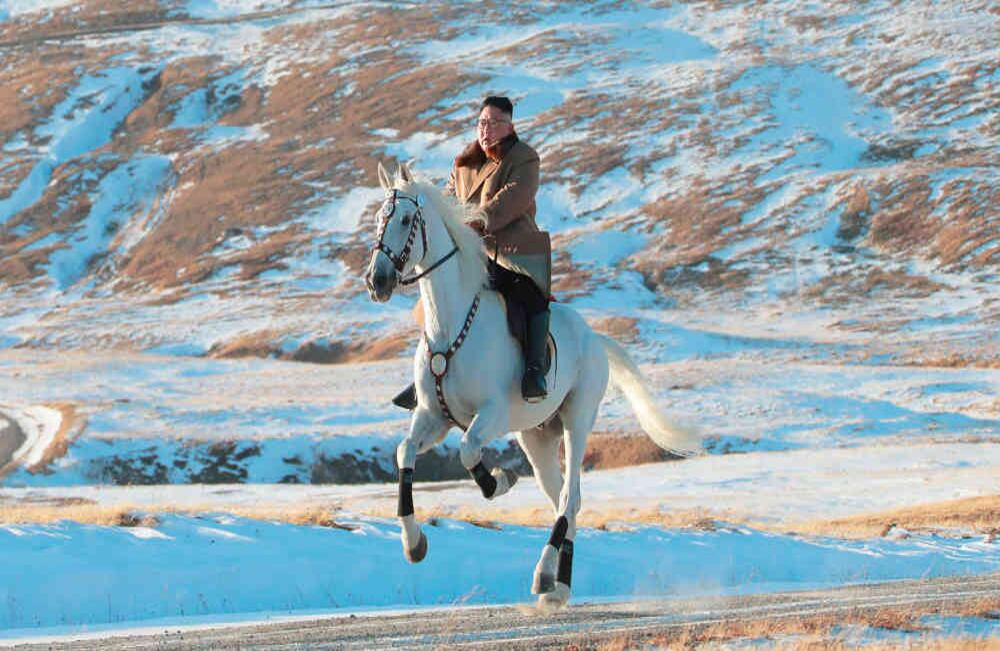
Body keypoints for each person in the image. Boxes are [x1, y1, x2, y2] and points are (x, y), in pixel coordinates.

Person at [393, 95, 551, 409]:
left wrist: (475, 223)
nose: (486, 130)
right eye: (481, 122)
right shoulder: (464, 162)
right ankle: (429, 373)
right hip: (470, 253)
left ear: (509, 126)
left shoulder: (524, 159)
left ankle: (534, 371)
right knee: (435, 300)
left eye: (493, 123)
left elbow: (512, 199)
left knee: (530, 298)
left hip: (511, 252)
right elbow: (448, 201)